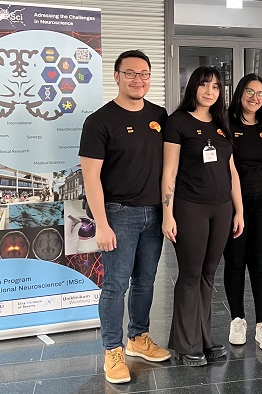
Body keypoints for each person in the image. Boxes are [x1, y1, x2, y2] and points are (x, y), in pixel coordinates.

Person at [79, 49, 170, 384]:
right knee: (115, 285)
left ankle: (138, 338)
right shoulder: (100, 121)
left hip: (154, 213)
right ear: (116, 77)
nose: (138, 79)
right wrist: (101, 224)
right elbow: (90, 178)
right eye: (130, 73)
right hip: (118, 214)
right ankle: (112, 350)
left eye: (144, 73)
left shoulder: (159, 115)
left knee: (145, 281)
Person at [162, 66, 244, 366]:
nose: (210, 91)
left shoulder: (222, 123)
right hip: (190, 207)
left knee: (209, 275)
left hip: (221, 208)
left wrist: (239, 210)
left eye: (216, 86)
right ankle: (186, 345)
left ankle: (205, 338)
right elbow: (169, 171)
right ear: (193, 88)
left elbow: (231, 171)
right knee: (190, 274)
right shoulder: (178, 122)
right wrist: (167, 214)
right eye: (204, 85)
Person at [223, 73, 262, 351]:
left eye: (260, 94)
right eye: (250, 92)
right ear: (239, 93)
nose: (255, 98)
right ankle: (237, 319)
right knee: (235, 263)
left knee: (260, 263)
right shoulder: (225, 123)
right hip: (231, 204)